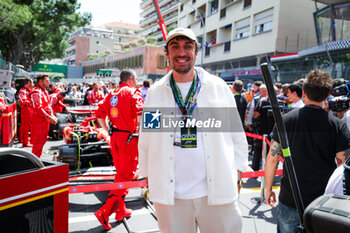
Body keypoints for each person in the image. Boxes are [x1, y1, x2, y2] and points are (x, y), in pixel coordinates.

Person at [138, 27, 251, 233]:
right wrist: (147, 176)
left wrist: (238, 172)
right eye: (175, 47)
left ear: (196, 53)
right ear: (167, 54)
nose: (182, 52)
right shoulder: (156, 93)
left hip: (217, 191)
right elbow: (147, 139)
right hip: (171, 196)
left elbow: (236, 134)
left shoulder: (217, 87)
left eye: (188, 46)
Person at [265, 69, 350, 233]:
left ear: (303, 93)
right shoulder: (337, 125)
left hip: (289, 199)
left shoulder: (286, 121)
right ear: (327, 96)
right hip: (322, 204)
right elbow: (343, 164)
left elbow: (272, 158)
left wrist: (268, 189)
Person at [94, 70, 143, 231]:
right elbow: (140, 113)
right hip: (128, 140)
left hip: (114, 138)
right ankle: (105, 211)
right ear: (130, 79)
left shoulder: (111, 93)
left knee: (121, 174)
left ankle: (120, 211)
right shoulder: (132, 92)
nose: (136, 82)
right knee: (127, 175)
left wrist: (108, 129)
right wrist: (142, 134)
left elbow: (99, 114)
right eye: (135, 79)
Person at [30, 75, 57, 157]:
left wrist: (52, 115)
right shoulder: (36, 92)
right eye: (47, 81)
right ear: (40, 81)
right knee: (37, 143)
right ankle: (34, 164)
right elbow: (37, 108)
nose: (49, 82)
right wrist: (49, 117)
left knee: (42, 141)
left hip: (45, 120)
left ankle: (38, 160)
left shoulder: (45, 91)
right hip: (39, 121)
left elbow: (49, 105)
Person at [18, 78, 34, 147]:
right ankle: (25, 142)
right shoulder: (23, 91)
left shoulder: (29, 90)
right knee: (25, 126)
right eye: (32, 82)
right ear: (29, 82)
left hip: (29, 109)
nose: (33, 84)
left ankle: (22, 138)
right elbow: (22, 100)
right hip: (26, 109)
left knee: (25, 125)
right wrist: (28, 102)